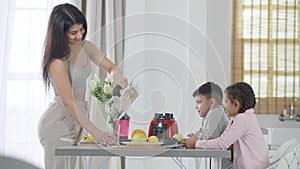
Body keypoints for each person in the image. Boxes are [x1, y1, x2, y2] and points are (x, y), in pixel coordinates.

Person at [38, 3, 128, 169]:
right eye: (73, 32)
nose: (79, 35)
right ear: (60, 32)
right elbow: (69, 102)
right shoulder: (58, 61)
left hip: (78, 117)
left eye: (81, 29)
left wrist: (118, 78)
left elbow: (111, 67)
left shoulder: (86, 47)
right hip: (60, 120)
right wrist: (96, 132)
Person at [192, 82, 270, 169]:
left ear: (236, 104)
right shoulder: (246, 117)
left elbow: (222, 143)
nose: (224, 105)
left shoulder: (242, 119)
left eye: (226, 101)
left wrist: (196, 144)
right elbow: (226, 141)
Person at [184, 82, 229, 148]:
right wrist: (193, 137)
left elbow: (209, 139)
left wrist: (195, 140)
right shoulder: (211, 114)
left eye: (199, 102)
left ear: (212, 102)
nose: (196, 107)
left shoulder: (215, 112)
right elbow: (203, 132)